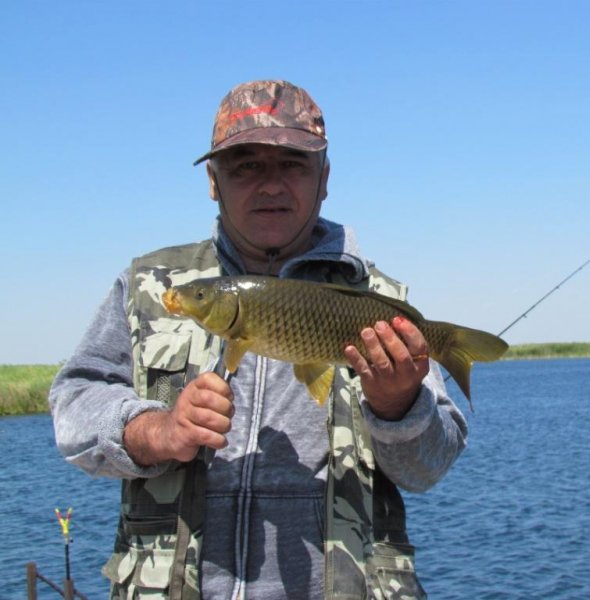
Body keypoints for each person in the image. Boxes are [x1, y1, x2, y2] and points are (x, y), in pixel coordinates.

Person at [49, 80, 467, 600]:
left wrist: (399, 407)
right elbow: (73, 405)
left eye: (293, 164)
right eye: (246, 166)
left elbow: (430, 467)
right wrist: (158, 431)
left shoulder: (380, 302)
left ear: (324, 179)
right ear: (213, 181)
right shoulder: (149, 286)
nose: (270, 185)